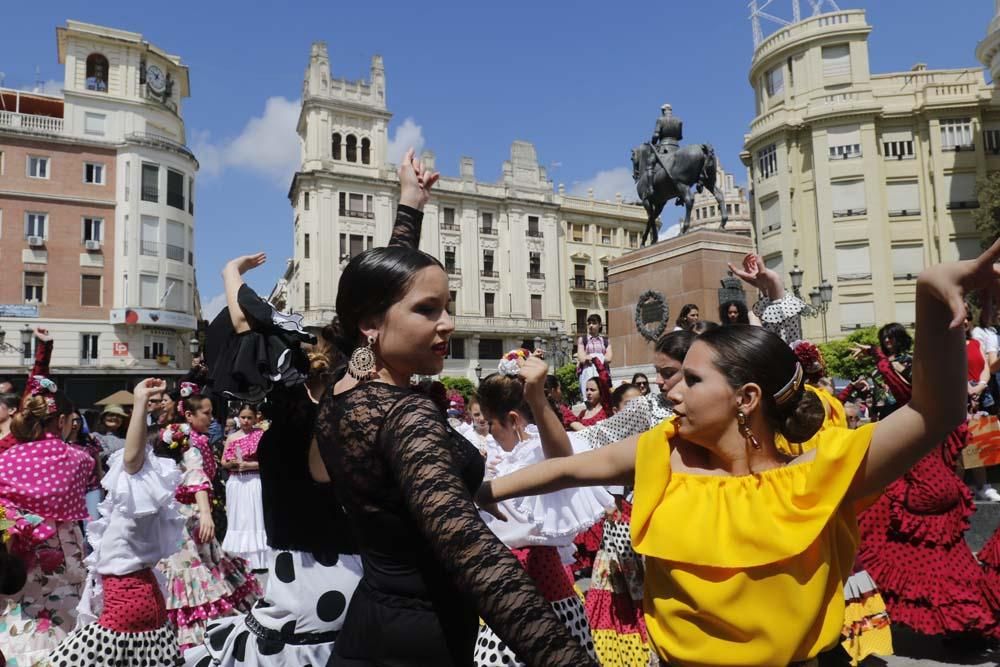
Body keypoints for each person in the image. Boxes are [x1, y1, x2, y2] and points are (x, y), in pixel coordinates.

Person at [478, 239, 996, 665]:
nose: (671, 392)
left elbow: (935, 412)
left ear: (746, 398)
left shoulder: (819, 470)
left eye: (690, 379)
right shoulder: (660, 450)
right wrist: (475, 492)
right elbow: (563, 468)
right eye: (668, 376)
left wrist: (929, 293)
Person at [314, 148, 592, 666]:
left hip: (371, 618)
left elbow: (383, 287)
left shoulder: (342, 386)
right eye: (429, 311)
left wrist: (411, 208)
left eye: (447, 307)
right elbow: (471, 551)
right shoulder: (405, 414)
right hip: (425, 635)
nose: (448, 324)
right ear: (370, 325)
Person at [184, 248, 363, 667]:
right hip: (329, 573)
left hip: (315, 577)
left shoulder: (301, 407)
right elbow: (250, 324)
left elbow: (249, 323)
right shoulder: (320, 408)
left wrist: (232, 274)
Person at [473, 352, 609, 665]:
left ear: (512, 420)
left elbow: (563, 462)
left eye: (491, 423)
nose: (488, 431)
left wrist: (537, 399)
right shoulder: (501, 458)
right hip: (505, 588)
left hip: (539, 589)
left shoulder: (536, 449)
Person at [45, 378, 186, 666]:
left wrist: (138, 402)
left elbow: (133, 458)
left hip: (127, 600)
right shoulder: (147, 492)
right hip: (142, 597)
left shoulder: (139, 483)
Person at [582, 330, 694, 667]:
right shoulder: (649, 407)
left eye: (668, 372)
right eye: (656, 372)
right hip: (663, 532)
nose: (658, 382)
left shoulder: (723, 403)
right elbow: (593, 440)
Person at [155, 391, 261, 651]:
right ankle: (200, 636)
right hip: (187, 514)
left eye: (212, 413)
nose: (211, 418)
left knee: (198, 570)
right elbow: (197, 476)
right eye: (207, 413)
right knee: (197, 571)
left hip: (181, 514)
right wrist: (205, 511)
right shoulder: (191, 440)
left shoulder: (180, 435)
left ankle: (187, 634)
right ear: (189, 415)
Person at [0, 376, 94, 665]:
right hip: (61, 548)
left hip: (17, 545)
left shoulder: (6, 457)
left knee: (18, 613)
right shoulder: (80, 459)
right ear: (63, 420)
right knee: (66, 619)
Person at [220, 404, 270, 574]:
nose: (246, 421)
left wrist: (249, 464)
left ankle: (260, 559)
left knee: (256, 517)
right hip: (237, 481)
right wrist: (231, 464)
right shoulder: (232, 437)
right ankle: (239, 558)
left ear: (256, 418)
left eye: (249, 417)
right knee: (239, 518)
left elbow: (267, 461)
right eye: (243, 417)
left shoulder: (261, 435)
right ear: (238, 418)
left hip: (254, 479)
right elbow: (223, 461)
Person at [576, 314, 612, 392]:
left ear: (600, 325)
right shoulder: (583, 340)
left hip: (602, 374)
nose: (591, 325)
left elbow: (609, 358)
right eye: (589, 323)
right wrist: (599, 358)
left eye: (594, 323)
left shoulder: (605, 341)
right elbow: (581, 358)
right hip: (587, 374)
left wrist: (592, 358)